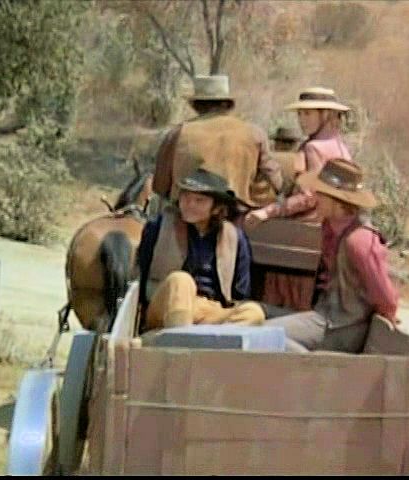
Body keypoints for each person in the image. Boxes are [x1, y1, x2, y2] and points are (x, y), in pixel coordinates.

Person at [262, 159, 399, 353]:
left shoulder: (359, 240)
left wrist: (386, 322)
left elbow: (385, 297)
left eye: (321, 193)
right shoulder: (330, 228)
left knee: (264, 336)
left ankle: (311, 366)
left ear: (337, 201)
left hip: (342, 327)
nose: (314, 196)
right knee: (257, 319)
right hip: (324, 316)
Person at [137, 168, 265, 331]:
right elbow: (140, 273)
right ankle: (178, 339)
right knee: (181, 280)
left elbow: (241, 292)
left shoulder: (234, 237)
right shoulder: (159, 226)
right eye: (185, 197)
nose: (190, 205)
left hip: (209, 310)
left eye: (199, 200)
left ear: (216, 208)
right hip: (167, 304)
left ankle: (212, 340)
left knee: (253, 312)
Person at [152, 74, 283, 212]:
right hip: (238, 212)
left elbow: (160, 185)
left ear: (196, 105)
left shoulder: (178, 133)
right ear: (227, 104)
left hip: (188, 213)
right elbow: (275, 180)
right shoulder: (254, 133)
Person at [245, 86, 353, 227]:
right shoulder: (340, 146)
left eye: (307, 114)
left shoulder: (312, 148)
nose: (302, 120)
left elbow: (308, 197)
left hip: (312, 224)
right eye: (299, 114)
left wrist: (267, 212)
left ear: (325, 114)